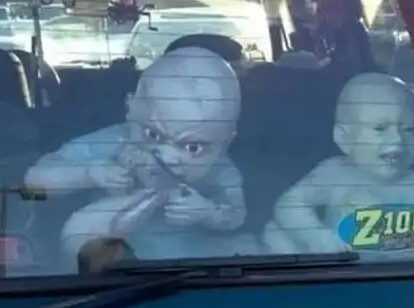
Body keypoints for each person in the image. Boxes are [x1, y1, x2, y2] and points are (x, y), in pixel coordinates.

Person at [25, 46, 250, 264]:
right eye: (152, 134)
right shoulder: (113, 142)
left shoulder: (219, 168)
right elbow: (33, 182)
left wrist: (208, 212)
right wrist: (89, 173)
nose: (167, 157)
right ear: (130, 109)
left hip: (195, 269)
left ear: (225, 143)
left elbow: (236, 214)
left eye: (193, 148)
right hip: (111, 268)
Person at [263, 72, 414, 254]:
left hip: (381, 267)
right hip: (335, 263)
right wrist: (318, 237)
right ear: (343, 138)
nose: (397, 139)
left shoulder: (411, 184)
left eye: (409, 130)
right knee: (275, 233)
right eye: (380, 129)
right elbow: (288, 204)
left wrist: (379, 222)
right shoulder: (334, 172)